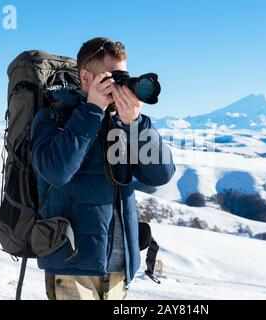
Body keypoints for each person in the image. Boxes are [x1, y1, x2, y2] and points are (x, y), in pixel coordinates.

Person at [30, 37, 176, 300]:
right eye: (113, 78)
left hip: (120, 268)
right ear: (86, 77)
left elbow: (160, 175)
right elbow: (57, 171)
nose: (121, 87)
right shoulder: (53, 117)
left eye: (124, 77)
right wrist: (92, 110)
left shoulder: (122, 123)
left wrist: (136, 124)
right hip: (73, 266)